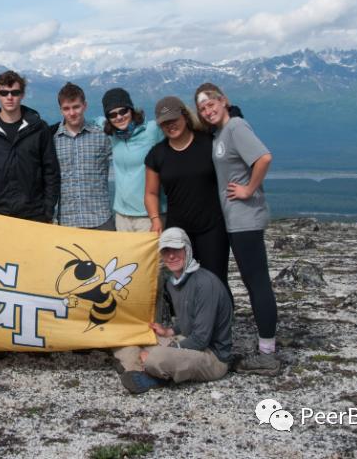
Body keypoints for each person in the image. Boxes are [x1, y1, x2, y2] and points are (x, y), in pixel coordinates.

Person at [195, 82, 280, 375]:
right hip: (232, 219)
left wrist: (248, 189)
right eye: (203, 108)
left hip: (245, 218)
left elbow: (263, 157)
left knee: (256, 282)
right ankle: (228, 341)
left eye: (211, 104)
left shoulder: (236, 127)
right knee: (243, 281)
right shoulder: (220, 133)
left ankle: (267, 352)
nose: (208, 111)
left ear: (224, 101)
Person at [118, 227, 233, 394]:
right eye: (166, 251)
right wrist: (168, 331)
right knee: (136, 336)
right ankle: (144, 369)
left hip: (213, 357)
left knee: (156, 357)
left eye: (176, 249)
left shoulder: (206, 284)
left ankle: (145, 371)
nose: (171, 256)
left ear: (187, 249)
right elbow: (188, 319)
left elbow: (201, 340)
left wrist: (169, 348)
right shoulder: (173, 282)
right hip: (188, 342)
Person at [144, 96, 231, 293]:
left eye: (173, 119)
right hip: (178, 230)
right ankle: (187, 324)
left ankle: (223, 323)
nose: (170, 125)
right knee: (182, 282)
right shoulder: (157, 154)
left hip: (213, 226)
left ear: (185, 116)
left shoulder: (209, 144)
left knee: (216, 281)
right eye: (165, 122)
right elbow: (150, 193)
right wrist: (155, 219)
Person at [0, 70, 60, 222]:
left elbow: (51, 172)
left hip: (35, 215)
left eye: (14, 92)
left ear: (22, 94)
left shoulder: (39, 129)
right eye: (4, 93)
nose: (9, 97)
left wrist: (47, 210)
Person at [100, 87, 164, 232]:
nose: (119, 117)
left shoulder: (152, 130)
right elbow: (84, 121)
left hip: (148, 215)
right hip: (122, 216)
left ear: (131, 110)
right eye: (113, 114)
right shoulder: (114, 136)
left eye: (123, 111)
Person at [53, 82, 114, 230]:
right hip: (67, 222)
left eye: (76, 107)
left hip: (100, 219)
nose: (72, 113)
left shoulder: (102, 135)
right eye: (66, 108)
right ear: (61, 110)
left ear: (84, 106)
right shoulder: (52, 139)